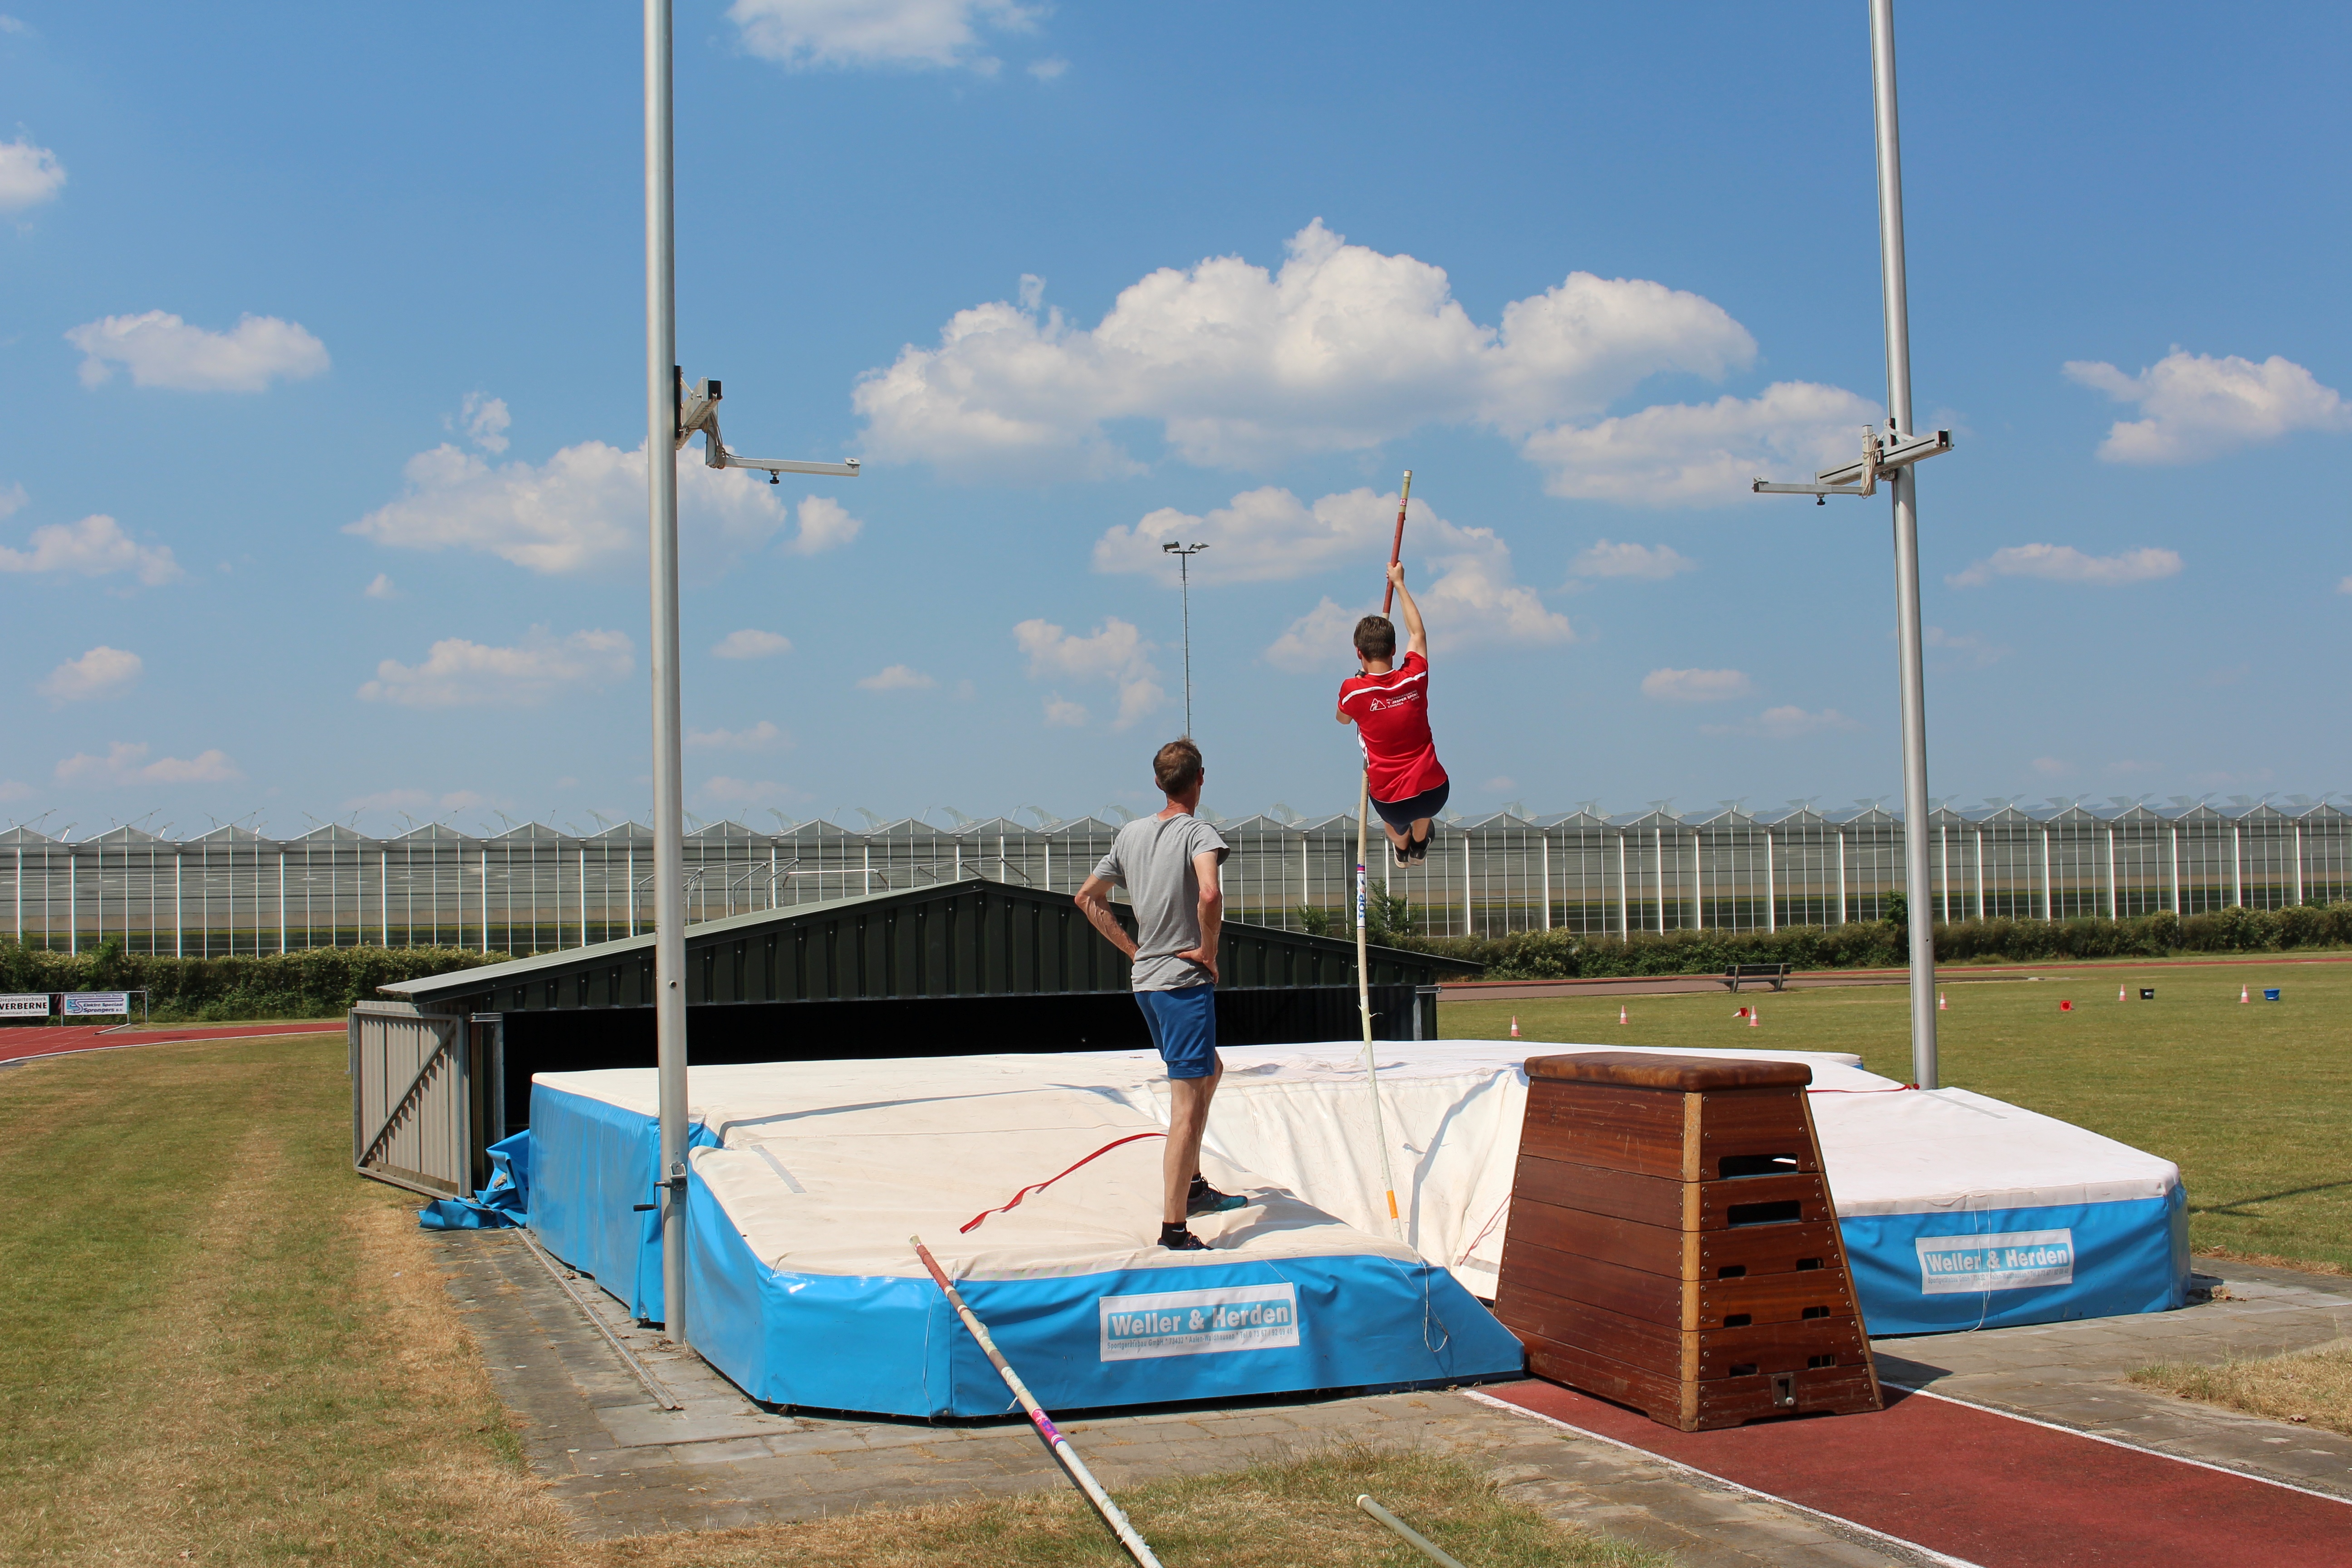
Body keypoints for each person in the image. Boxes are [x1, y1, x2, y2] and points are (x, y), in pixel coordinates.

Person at [1073, 738, 1254, 1250]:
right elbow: (1210, 893)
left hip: (1149, 984)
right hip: (1182, 983)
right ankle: (1175, 1229)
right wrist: (1209, 951)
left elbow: (1086, 897)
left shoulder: (1132, 834)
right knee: (1187, 1108)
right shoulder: (1199, 832)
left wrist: (1135, 952)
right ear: (1201, 779)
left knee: (1209, 1070)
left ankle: (1192, 1187)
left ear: (1158, 783)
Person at [1336, 560, 1449, 865]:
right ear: (1395, 649)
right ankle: (1420, 844)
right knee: (1423, 809)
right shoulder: (1415, 677)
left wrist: (1361, 682)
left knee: (1395, 826)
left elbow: (1343, 719)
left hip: (1392, 801)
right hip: (1435, 791)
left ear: (1359, 652)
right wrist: (1399, 583)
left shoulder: (1353, 691)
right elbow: (1418, 633)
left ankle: (1402, 846)